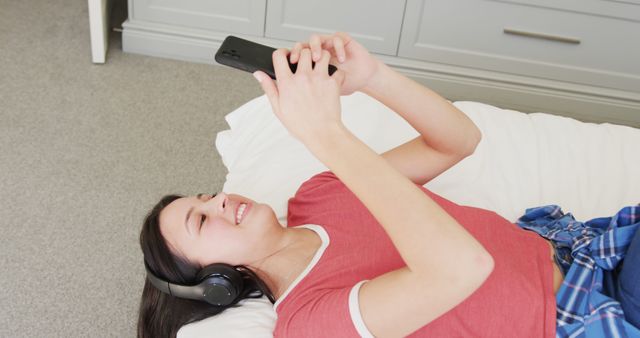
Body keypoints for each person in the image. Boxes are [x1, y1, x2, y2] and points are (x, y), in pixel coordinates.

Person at [137, 32, 638, 337]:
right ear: (216, 282)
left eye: (207, 196)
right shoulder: (311, 321)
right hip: (583, 317)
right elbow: (463, 268)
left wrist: (374, 77)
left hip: (587, 246)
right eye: (203, 219)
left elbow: (457, 141)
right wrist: (325, 133)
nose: (222, 199)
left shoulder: (319, 193)